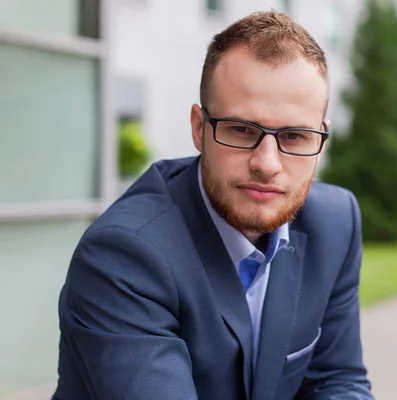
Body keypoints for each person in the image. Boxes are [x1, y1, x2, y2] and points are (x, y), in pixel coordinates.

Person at [52, 10, 373, 400]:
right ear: (199, 129)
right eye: (241, 129)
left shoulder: (335, 223)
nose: (267, 164)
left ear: (321, 139)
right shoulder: (122, 256)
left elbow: (336, 383)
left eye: (293, 136)